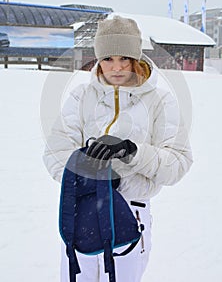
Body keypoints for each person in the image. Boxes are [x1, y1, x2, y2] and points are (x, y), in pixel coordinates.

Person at [43, 15, 193, 282]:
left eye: (124, 58)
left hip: (131, 213)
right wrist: (89, 174)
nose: (116, 67)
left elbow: (177, 163)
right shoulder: (81, 96)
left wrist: (133, 152)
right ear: (98, 60)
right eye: (108, 59)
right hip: (81, 212)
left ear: (136, 58)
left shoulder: (160, 101)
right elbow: (55, 151)